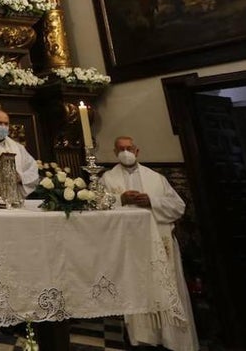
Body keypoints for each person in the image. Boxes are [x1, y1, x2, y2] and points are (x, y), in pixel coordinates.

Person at [100, 136, 198, 351]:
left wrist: (152, 201)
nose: (126, 152)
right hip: (130, 245)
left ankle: (174, 340)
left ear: (137, 151)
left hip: (160, 242)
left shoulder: (156, 178)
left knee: (167, 288)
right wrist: (121, 200)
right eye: (121, 149)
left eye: (129, 148)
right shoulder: (107, 179)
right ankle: (142, 339)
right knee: (137, 289)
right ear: (115, 152)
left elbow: (178, 207)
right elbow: (97, 209)